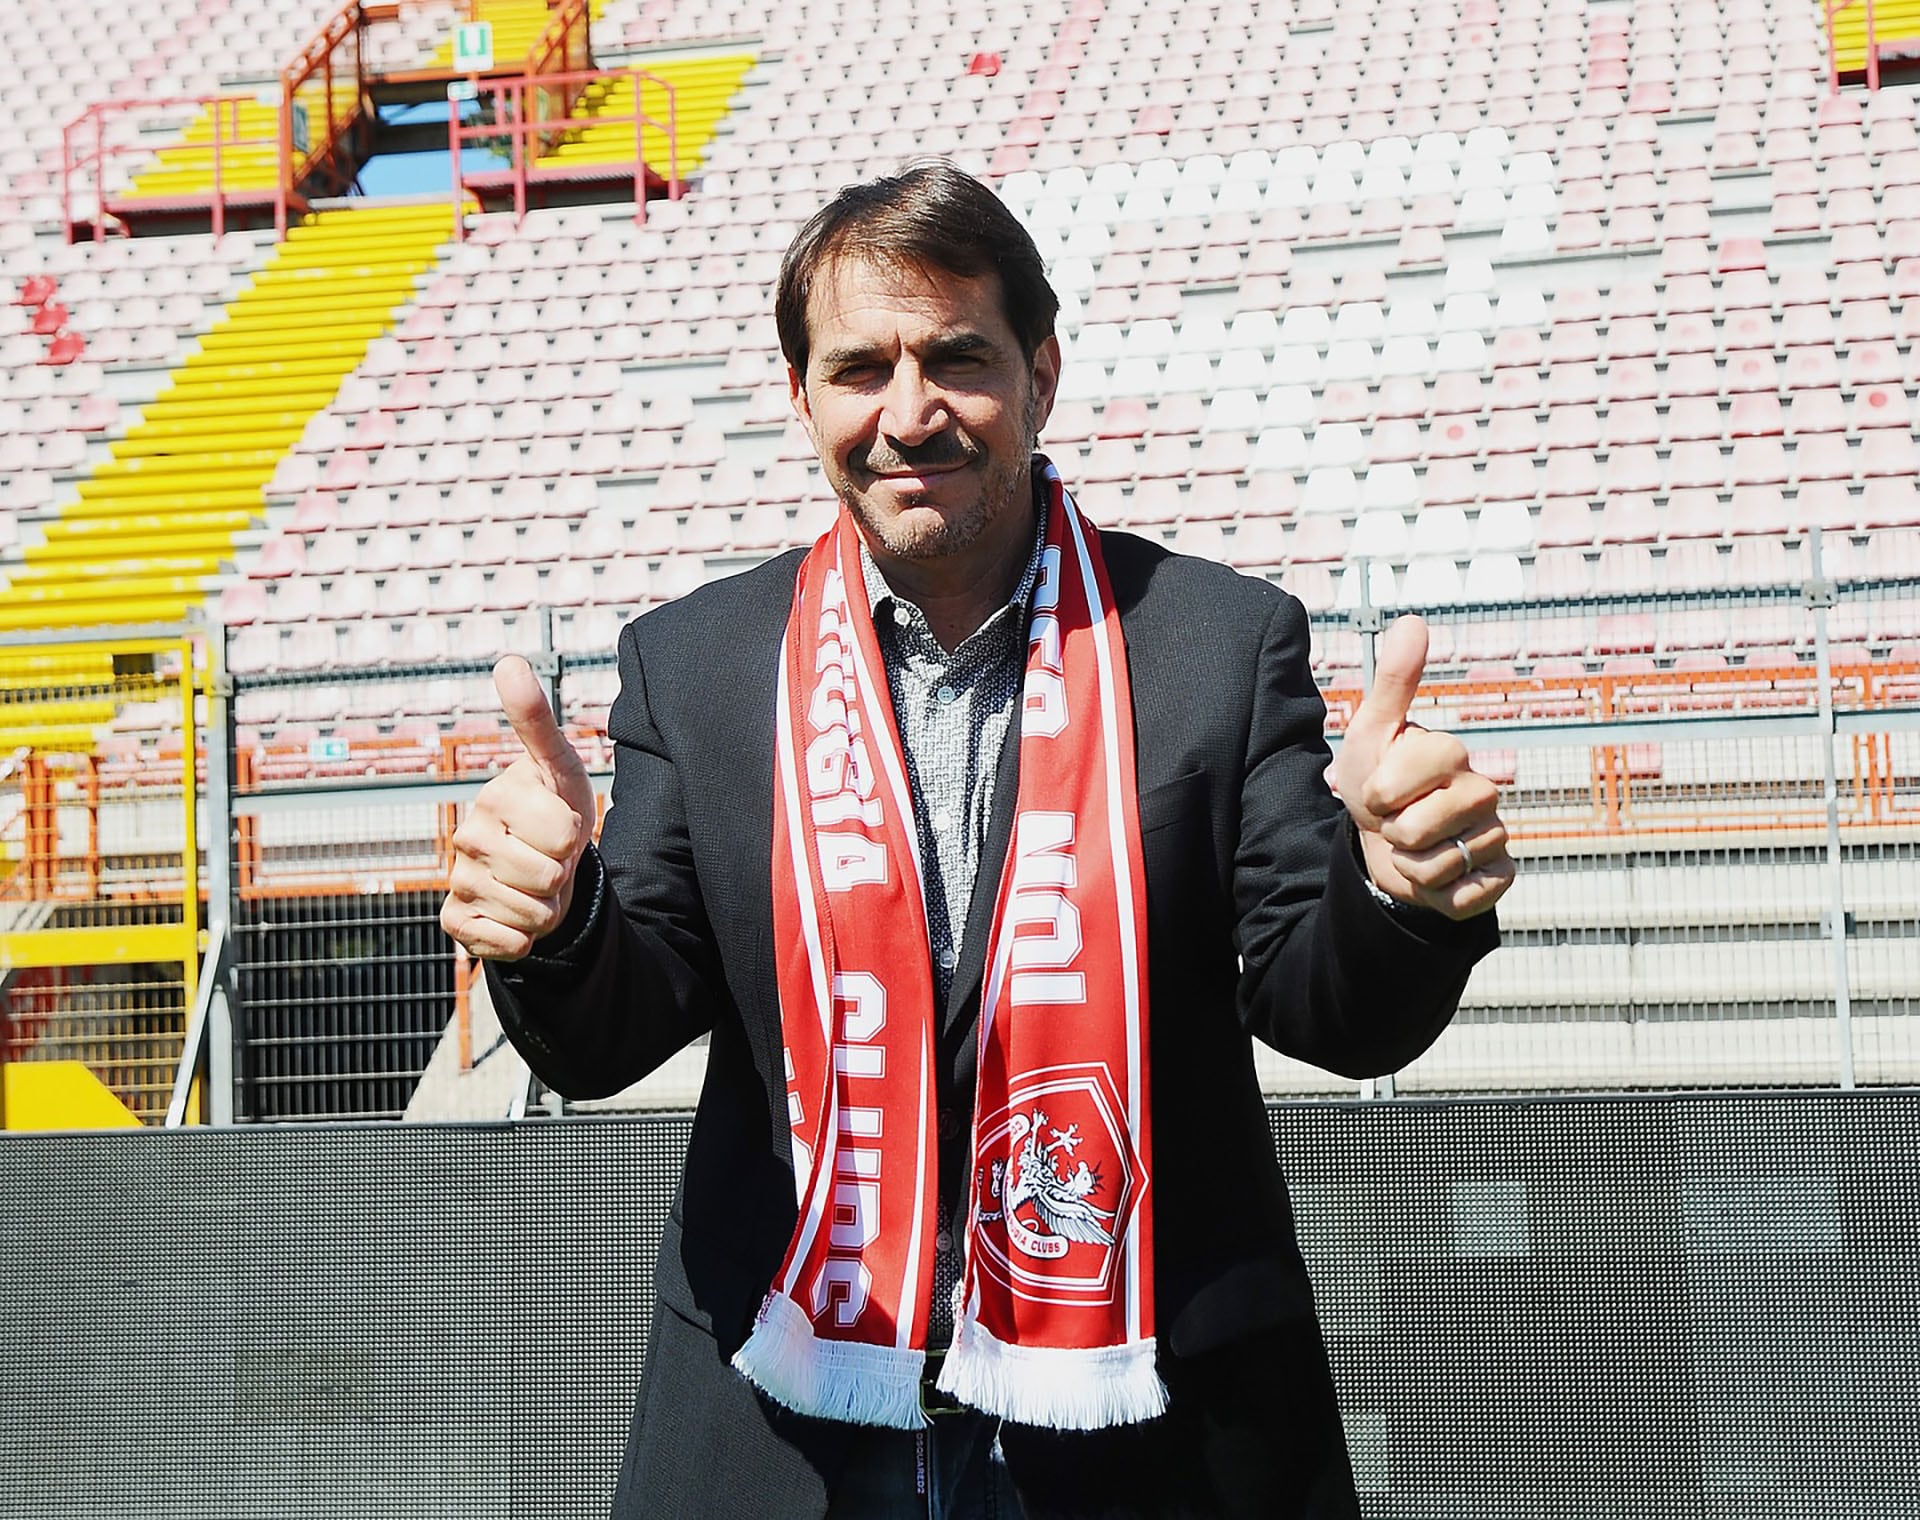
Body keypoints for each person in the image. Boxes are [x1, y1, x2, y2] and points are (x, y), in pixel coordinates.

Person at [442, 161, 1512, 1519]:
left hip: (1156, 1432)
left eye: (957, 358)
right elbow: (613, 1027)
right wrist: (553, 924)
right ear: (801, 398)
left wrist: (1404, 895)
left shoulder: (1218, 643)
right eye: (859, 370)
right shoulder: (694, 666)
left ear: (1041, 374)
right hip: (785, 1428)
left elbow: (1331, 1010)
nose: (908, 413)